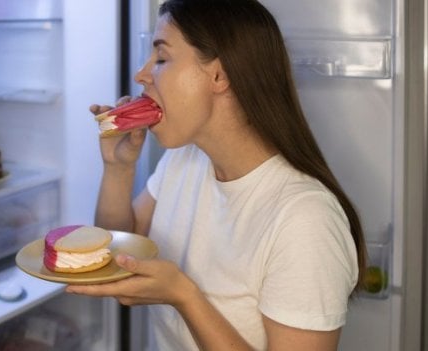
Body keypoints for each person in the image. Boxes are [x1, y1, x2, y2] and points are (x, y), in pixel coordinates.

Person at [66, 0, 367, 350]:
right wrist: (118, 168)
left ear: (220, 76)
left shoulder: (305, 220)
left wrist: (184, 296)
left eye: (161, 59)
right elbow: (117, 247)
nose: (141, 75)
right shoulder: (183, 161)